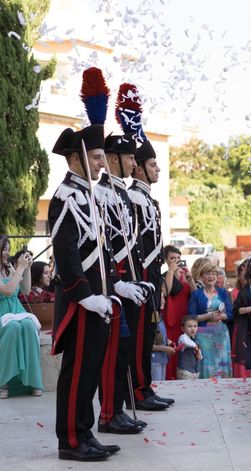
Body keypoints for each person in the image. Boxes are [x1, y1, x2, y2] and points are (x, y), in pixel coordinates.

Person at [48, 83, 122, 461]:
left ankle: (85, 432)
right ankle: (71, 441)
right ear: (76, 159)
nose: (100, 164)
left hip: (97, 300)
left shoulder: (89, 195)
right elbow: (65, 253)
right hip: (81, 301)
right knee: (76, 372)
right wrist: (85, 294)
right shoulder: (65, 197)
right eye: (95, 157)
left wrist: (111, 291)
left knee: (90, 369)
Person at [95, 132, 151, 434]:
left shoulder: (122, 194)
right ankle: (109, 413)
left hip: (130, 283)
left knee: (125, 351)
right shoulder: (102, 194)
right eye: (129, 158)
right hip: (114, 285)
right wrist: (117, 283)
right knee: (114, 353)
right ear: (113, 158)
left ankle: (117, 408)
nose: (133, 163)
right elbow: (105, 246)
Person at [123, 82, 173, 408]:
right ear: (138, 167)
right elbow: (137, 244)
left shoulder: (148, 198)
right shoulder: (133, 198)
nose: (158, 169)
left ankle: (145, 387)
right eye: (153, 165)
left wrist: (160, 278)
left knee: (147, 334)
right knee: (139, 337)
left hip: (152, 276)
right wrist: (147, 279)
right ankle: (136, 392)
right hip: (140, 276)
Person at [0, 235, 43, 399]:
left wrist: (27, 268)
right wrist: (19, 269)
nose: (7, 253)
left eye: (8, 249)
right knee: (13, 328)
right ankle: (3, 382)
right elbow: (8, 290)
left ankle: (32, 381)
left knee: (28, 326)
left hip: (15, 311)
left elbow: (24, 290)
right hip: (2, 313)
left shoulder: (9, 267)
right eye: (4, 249)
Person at [187, 262, 232, 378]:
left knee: (221, 364)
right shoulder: (196, 294)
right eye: (208, 274)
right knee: (206, 364)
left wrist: (222, 316)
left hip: (221, 333)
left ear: (217, 277)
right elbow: (191, 317)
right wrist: (208, 316)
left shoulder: (223, 292)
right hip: (203, 333)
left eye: (214, 274)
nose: (211, 277)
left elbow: (231, 315)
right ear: (202, 277)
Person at [162, 245, 196, 380]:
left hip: (184, 321)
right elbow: (166, 291)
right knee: (172, 348)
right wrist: (171, 271)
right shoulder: (164, 276)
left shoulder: (184, 278)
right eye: (172, 258)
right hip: (170, 320)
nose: (176, 261)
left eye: (178, 258)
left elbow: (195, 296)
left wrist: (191, 279)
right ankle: (169, 376)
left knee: (183, 350)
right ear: (166, 260)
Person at [151, 289, 175, 381]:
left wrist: (167, 342)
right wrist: (164, 348)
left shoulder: (159, 315)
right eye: (159, 297)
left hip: (162, 359)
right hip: (154, 360)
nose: (163, 300)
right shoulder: (152, 318)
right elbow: (147, 344)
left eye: (163, 297)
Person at [176, 315, 203, 380]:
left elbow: (200, 357)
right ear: (183, 329)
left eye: (195, 326)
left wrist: (199, 355)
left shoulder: (195, 339)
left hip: (195, 372)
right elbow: (186, 342)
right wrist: (196, 347)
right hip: (185, 372)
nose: (193, 329)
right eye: (189, 326)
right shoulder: (182, 337)